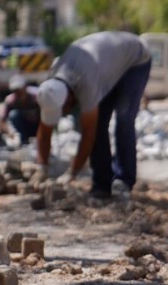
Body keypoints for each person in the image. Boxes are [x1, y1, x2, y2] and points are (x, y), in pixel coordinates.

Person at [34, 31, 151, 199]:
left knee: (124, 119)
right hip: (104, 67)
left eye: (64, 109)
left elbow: (89, 133)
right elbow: (45, 131)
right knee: (100, 122)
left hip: (135, 60)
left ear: (70, 98)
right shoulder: (51, 86)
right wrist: (42, 168)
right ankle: (102, 184)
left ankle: (123, 180)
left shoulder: (86, 83)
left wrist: (72, 172)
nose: (64, 114)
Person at [0, 74, 40, 145]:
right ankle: (24, 138)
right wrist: (9, 132)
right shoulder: (11, 100)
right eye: (15, 91)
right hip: (25, 126)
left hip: (38, 125)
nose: (18, 93)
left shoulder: (36, 96)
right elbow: (1, 120)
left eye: (19, 90)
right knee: (14, 114)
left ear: (25, 87)